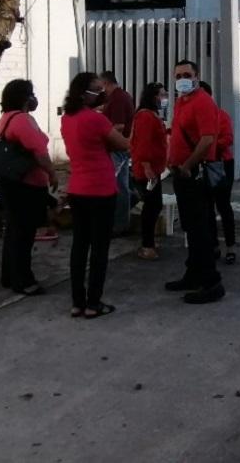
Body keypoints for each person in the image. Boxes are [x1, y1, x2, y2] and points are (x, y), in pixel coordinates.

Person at [62, 73, 130, 318]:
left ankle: (77, 302)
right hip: (100, 188)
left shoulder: (67, 119)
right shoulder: (97, 120)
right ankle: (94, 303)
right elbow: (122, 144)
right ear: (83, 92)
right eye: (96, 89)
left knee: (79, 246)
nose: (101, 93)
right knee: (99, 248)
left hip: (77, 188)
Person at [165, 59, 225, 304]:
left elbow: (208, 139)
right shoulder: (181, 102)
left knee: (200, 230)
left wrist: (188, 164)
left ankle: (211, 282)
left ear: (197, 76)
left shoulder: (202, 102)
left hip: (195, 174)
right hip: (181, 173)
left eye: (186, 74)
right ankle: (193, 274)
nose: (182, 79)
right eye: (178, 75)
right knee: (190, 227)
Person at [0, 79, 58, 296]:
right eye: (31, 94)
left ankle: (9, 276)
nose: (34, 98)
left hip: (11, 184)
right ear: (23, 97)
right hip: (25, 186)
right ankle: (23, 279)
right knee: (23, 235)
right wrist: (52, 173)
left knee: (14, 232)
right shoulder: (21, 120)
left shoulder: (6, 118)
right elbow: (39, 152)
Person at [199, 81, 237, 264]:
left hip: (221, 164)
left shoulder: (221, 116)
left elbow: (228, 139)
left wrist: (208, 147)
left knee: (223, 206)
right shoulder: (194, 116)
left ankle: (230, 247)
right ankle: (213, 245)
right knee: (207, 208)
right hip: (203, 165)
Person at [130, 82, 168, 260]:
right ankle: (147, 245)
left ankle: (149, 241)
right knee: (151, 206)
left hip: (154, 168)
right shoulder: (145, 116)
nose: (165, 98)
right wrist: (146, 166)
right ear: (153, 97)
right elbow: (143, 143)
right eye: (162, 94)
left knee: (154, 205)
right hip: (148, 170)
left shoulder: (152, 115)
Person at [99, 71, 135, 235]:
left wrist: (101, 136)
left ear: (106, 83)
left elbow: (119, 125)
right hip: (117, 147)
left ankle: (120, 224)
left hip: (118, 148)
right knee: (120, 184)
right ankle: (120, 220)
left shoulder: (118, 98)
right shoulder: (117, 97)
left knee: (119, 186)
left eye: (102, 86)